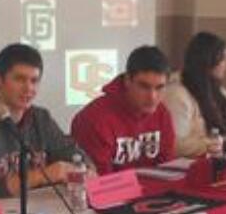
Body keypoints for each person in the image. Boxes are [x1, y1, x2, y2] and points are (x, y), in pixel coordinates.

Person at [0, 43, 82, 202]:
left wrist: (85, 168)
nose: (28, 89)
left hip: (41, 209)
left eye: (34, 81)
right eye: (20, 79)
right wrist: (42, 176)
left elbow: (71, 153)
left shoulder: (41, 118)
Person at [72, 45, 176, 173]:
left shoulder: (162, 114)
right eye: (144, 86)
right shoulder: (94, 119)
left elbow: (168, 171)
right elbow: (99, 180)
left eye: (159, 87)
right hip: (109, 191)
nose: (152, 97)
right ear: (127, 80)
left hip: (154, 190)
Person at [162, 32, 226, 158]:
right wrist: (216, 142)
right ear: (207, 61)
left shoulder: (223, 94)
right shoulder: (178, 94)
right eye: (223, 58)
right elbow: (176, 145)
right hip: (205, 156)